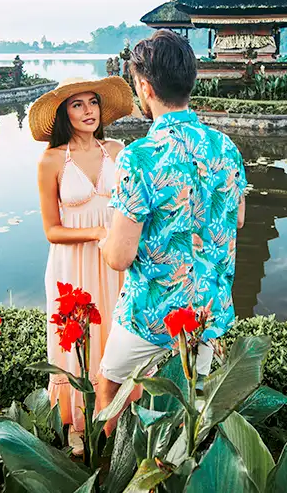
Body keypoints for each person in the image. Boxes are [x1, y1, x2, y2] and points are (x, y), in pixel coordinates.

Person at [96, 30, 248, 427]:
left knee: (108, 386)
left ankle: (106, 470)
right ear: (189, 83)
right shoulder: (227, 147)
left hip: (153, 313)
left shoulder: (139, 158)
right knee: (189, 406)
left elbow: (120, 256)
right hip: (207, 310)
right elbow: (239, 218)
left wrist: (102, 242)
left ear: (145, 87)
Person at [29, 76, 134, 449]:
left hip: (113, 264)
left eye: (93, 102)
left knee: (116, 334)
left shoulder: (118, 151)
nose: (89, 111)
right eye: (78, 104)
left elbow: (133, 207)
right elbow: (52, 230)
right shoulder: (52, 160)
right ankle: (78, 426)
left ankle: (121, 417)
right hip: (71, 266)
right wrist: (97, 234)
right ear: (63, 112)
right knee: (79, 339)